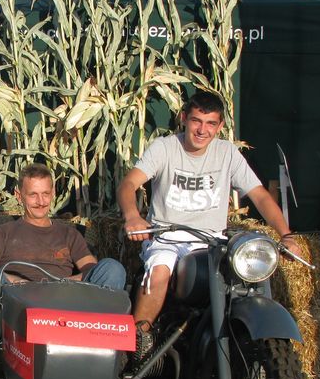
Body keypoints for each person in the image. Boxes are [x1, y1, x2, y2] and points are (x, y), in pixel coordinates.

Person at [117, 91, 303, 358]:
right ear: (184, 119)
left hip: (211, 241)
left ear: (220, 126)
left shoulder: (227, 153)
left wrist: (286, 234)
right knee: (158, 273)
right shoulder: (165, 147)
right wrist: (132, 215)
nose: (202, 130)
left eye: (210, 123)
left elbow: (260, 195)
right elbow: (129, 184)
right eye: (196, 121)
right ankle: (137, 343)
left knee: (247, 278)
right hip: (166, 237)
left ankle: (252, 348)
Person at [0, 163, 126, 327]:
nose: (41, 202)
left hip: (65, 301)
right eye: (33, 195)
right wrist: (18, 282)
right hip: (19, 303)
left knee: (112, 268)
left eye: (45, 194)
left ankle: (90, 336)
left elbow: (91, 270)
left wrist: (62, 283)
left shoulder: (69, 234)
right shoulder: (3, 232)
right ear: (19, 195)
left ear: (53, 193)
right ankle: (11, 334)